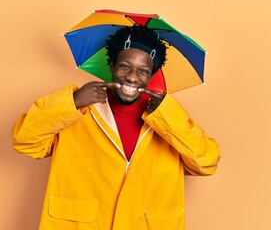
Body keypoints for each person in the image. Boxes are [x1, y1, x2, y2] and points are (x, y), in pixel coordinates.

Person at [12, 25, 221, 230]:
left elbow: (207, 162)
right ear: (111, 65)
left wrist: (169, 117)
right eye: (124, 66)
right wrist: (72, 102)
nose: (132, 77)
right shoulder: (80, 110)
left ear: (151, 76)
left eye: (143, 71)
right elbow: (24, 140)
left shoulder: (166, 119)